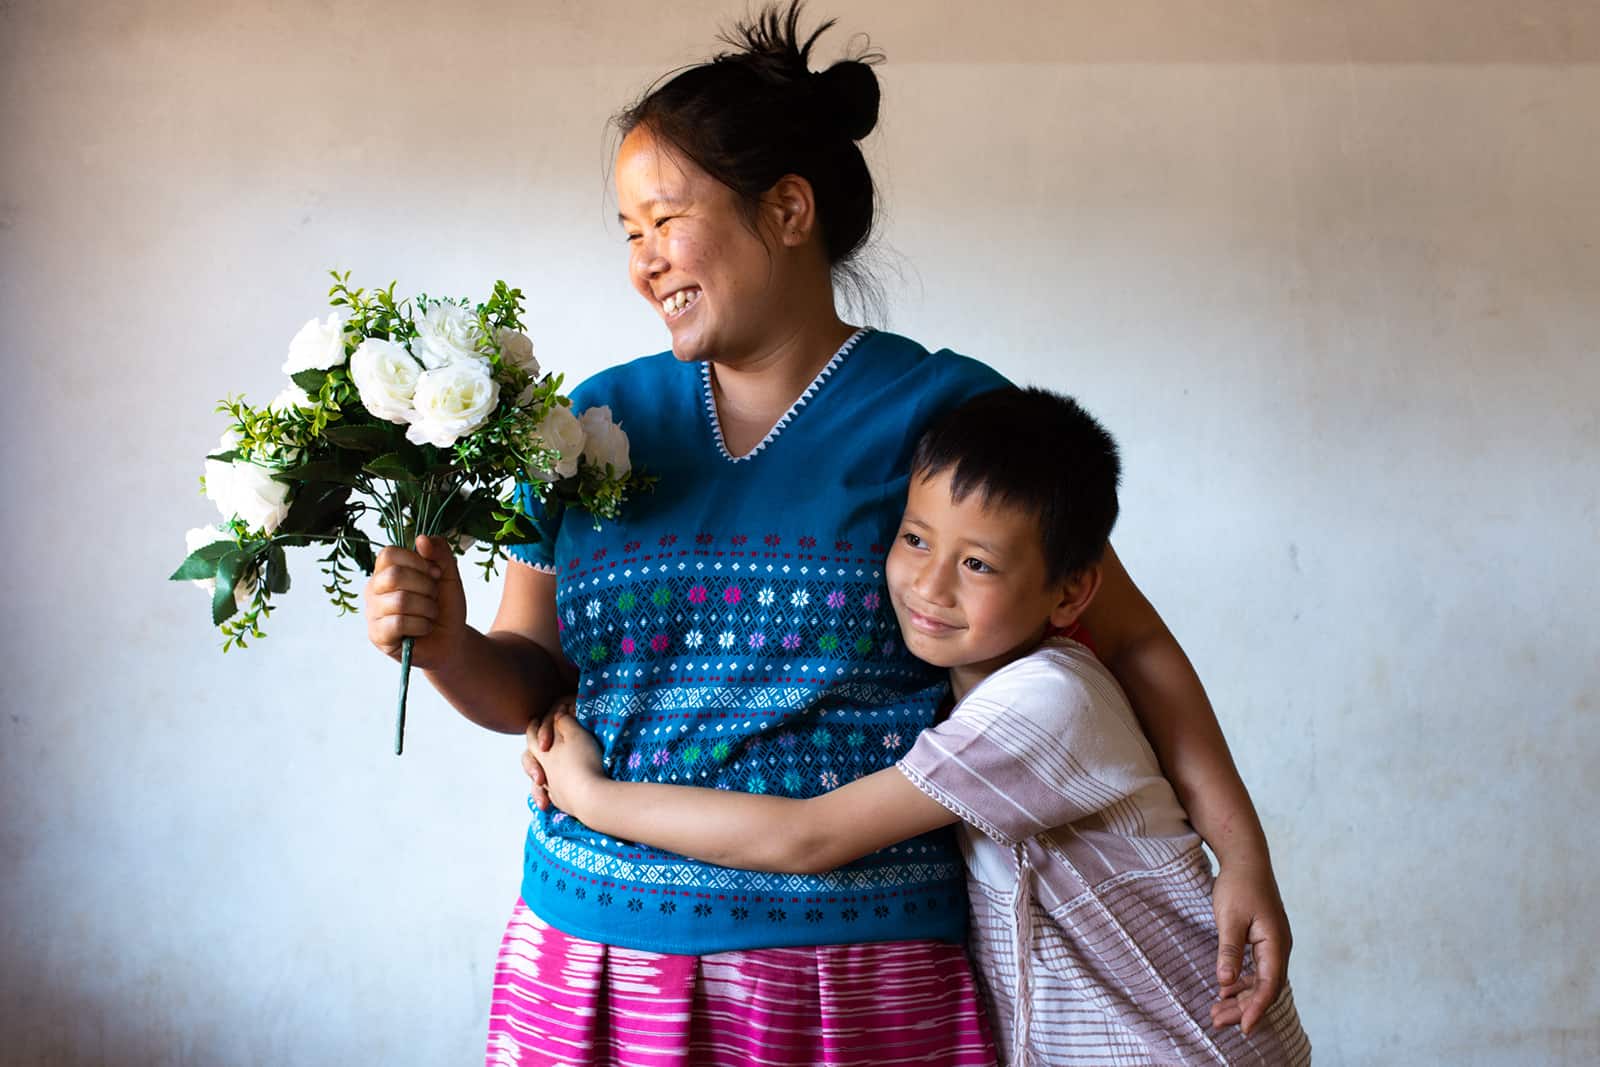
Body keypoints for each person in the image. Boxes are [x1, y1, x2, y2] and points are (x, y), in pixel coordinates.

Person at [362, 3, 1292, 1062]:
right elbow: (529, 677)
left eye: (665, 220)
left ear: (789, 208)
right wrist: (440, 648)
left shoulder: (944, 415)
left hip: (859, 971)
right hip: (596, 954)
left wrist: (1242, 851)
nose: (643, 260)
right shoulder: (584, 424)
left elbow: (1123, 636)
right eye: (628, 233)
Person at [532, 387, 1312, 1066]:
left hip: (1181, 1041)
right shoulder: (968, 689)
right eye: (913, 539)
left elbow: (808, 837)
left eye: (978, 564)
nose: (930, 584)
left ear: (1071, 594)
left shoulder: (1045, 703)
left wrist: (588, 793)